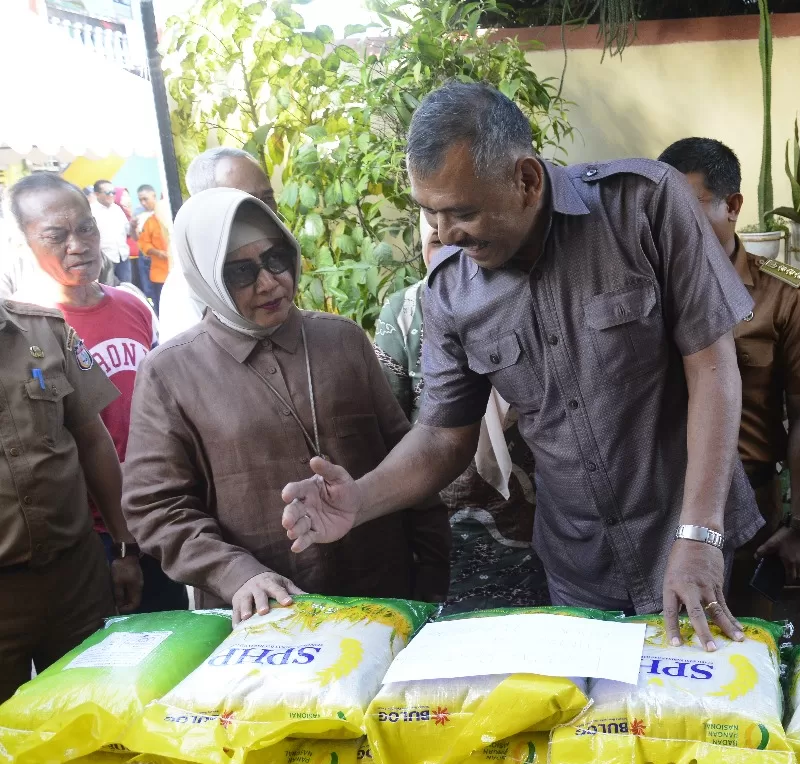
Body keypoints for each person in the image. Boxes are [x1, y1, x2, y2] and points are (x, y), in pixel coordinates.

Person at [281, 81, 762, 650]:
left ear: (527, 180)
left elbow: (711, 367)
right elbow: (441, 435)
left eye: (461, 213)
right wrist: (358, 499)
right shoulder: (451, 292)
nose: (442, 235)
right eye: (429, 213)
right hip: (581, 570)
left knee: (711, 724)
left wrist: (700, 534)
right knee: (598, 732)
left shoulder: (644, 205)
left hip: (696, 545)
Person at [123, 188, 452, 623]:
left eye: (275, 258)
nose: (269, 281)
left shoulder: (342, 340)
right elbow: (157, 508)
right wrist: (236, 574)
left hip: (384, 598)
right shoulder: (170, 372)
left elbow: (406, 459)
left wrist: (431, 575)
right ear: (204, 276)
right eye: (240, 271)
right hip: (265, 619)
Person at [658, 137, 800, 617]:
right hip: (660, 497)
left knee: (741, 641)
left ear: (732, 206)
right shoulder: (646, 286)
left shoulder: (783, 295)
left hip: (749, 503)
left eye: (687, 209)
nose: (669, 227)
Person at [9, 174, 185, 613]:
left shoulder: (132, 305)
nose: (78, 244)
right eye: (56, 235)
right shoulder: (29, 332)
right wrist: (118, 541)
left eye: (86, 227)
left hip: (158, 508)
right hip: (94, 534)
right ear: (24, 242)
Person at [1, 205, 145, 699]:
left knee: (98, 715)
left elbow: (93, 441)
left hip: (75, 579)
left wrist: (125, 547)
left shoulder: (44, 332)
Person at [373, 216, 545, 609]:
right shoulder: (403, 314)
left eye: (462, 243)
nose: (450, 256)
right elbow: (391, 428)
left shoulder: (529, 295)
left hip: (538, 529)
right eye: (435, 242)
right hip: (443, 530)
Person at [158, 147, 277, 344]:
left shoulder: (277, 262)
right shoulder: (188, 288)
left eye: (268, 199)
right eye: (244, 203)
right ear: (206, 209)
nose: (263, 212)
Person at [91, 180, 132, 284]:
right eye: (108, 192)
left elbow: (128, 231)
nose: (112, 195)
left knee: (126, 289)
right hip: (106, 259)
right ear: (97, 194)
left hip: (123, 256)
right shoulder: (91, 212)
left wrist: (134, 225)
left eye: (113, 192)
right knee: (110, 290)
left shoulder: (117, 209)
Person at [136, 184, 169, 309]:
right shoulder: (150, 221)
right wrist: (157, 252)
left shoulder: (173, 217)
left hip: (177, 273)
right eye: (141, 200)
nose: (143, 203)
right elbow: (143, 243)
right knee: (162, 307)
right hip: (160, 275)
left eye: (146, 199)